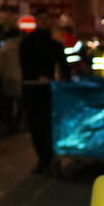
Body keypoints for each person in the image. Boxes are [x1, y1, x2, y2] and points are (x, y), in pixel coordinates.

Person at [18, 10, 67, 174]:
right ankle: (45, 158)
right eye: (42, 19)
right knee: (38, 125)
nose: (45, 22)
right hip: (35, 87)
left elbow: (63, 66)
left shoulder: (53, 43)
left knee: (45, 125)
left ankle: (48, 158)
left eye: (47, 18)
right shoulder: (28, 42)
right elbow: (24, 63)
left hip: (44, 88)